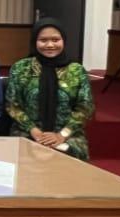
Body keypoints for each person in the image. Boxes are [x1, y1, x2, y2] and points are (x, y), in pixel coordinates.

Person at [6, 18, 94, 160]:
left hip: (68, 134)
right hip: (28, 131)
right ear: (35, 41)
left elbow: (85, 108)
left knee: (71, 153)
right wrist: (34, 131)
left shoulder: (76, 70)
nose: (50, 45)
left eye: (55, 40)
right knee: (25, 152)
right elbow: (13, 105)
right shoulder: (21, 68)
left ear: (63, 40)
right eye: (43, 40)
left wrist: (61, 135)